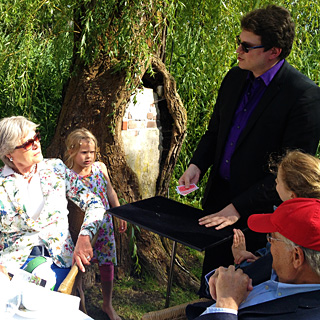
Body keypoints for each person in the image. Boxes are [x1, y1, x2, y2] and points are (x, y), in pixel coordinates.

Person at [178, 5, 320, 278]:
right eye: (238, 43)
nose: (238, 51)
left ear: (274, 51)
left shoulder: (304, 96)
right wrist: (197, 164)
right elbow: (214, 132)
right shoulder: (234, 77)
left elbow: (293, 172)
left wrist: (239, 208)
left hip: (261, 215)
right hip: (218, 202)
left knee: (248, 289)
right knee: (211, 281)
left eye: (246, 46)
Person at [0, 116, 105, 291]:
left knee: (39, 298)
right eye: (27, 143)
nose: (36, 144)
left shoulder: (55, 169)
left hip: (58, 262)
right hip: (13, 266)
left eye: (36, 137)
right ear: (9, 153)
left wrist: (85, 236)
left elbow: (95, 203)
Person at [189, 198, 320, 319]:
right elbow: (217, 287)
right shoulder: (275, 265)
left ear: (296, 256)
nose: (269, 245)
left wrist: (226, 306)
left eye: (272, 238)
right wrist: (219, 279)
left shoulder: (308, 314)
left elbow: (225, 300)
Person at [64, 128, 127, 320]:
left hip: (105, 226)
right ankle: (79, 304)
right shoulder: (69, 176)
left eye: (91, 152)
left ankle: (107, 304)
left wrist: (119, 214)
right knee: (79, 269)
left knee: (107, 264)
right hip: (82, 231)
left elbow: (110, 192)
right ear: (71, 152)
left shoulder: (100, 168)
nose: (88, 156)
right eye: (83, 152)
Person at [232, 150, 320, 265]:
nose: (275, 181)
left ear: (291, 195)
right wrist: (259, 258)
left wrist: (242, 259)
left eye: (278, 181)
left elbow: (277, 270)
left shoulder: (289, 224)